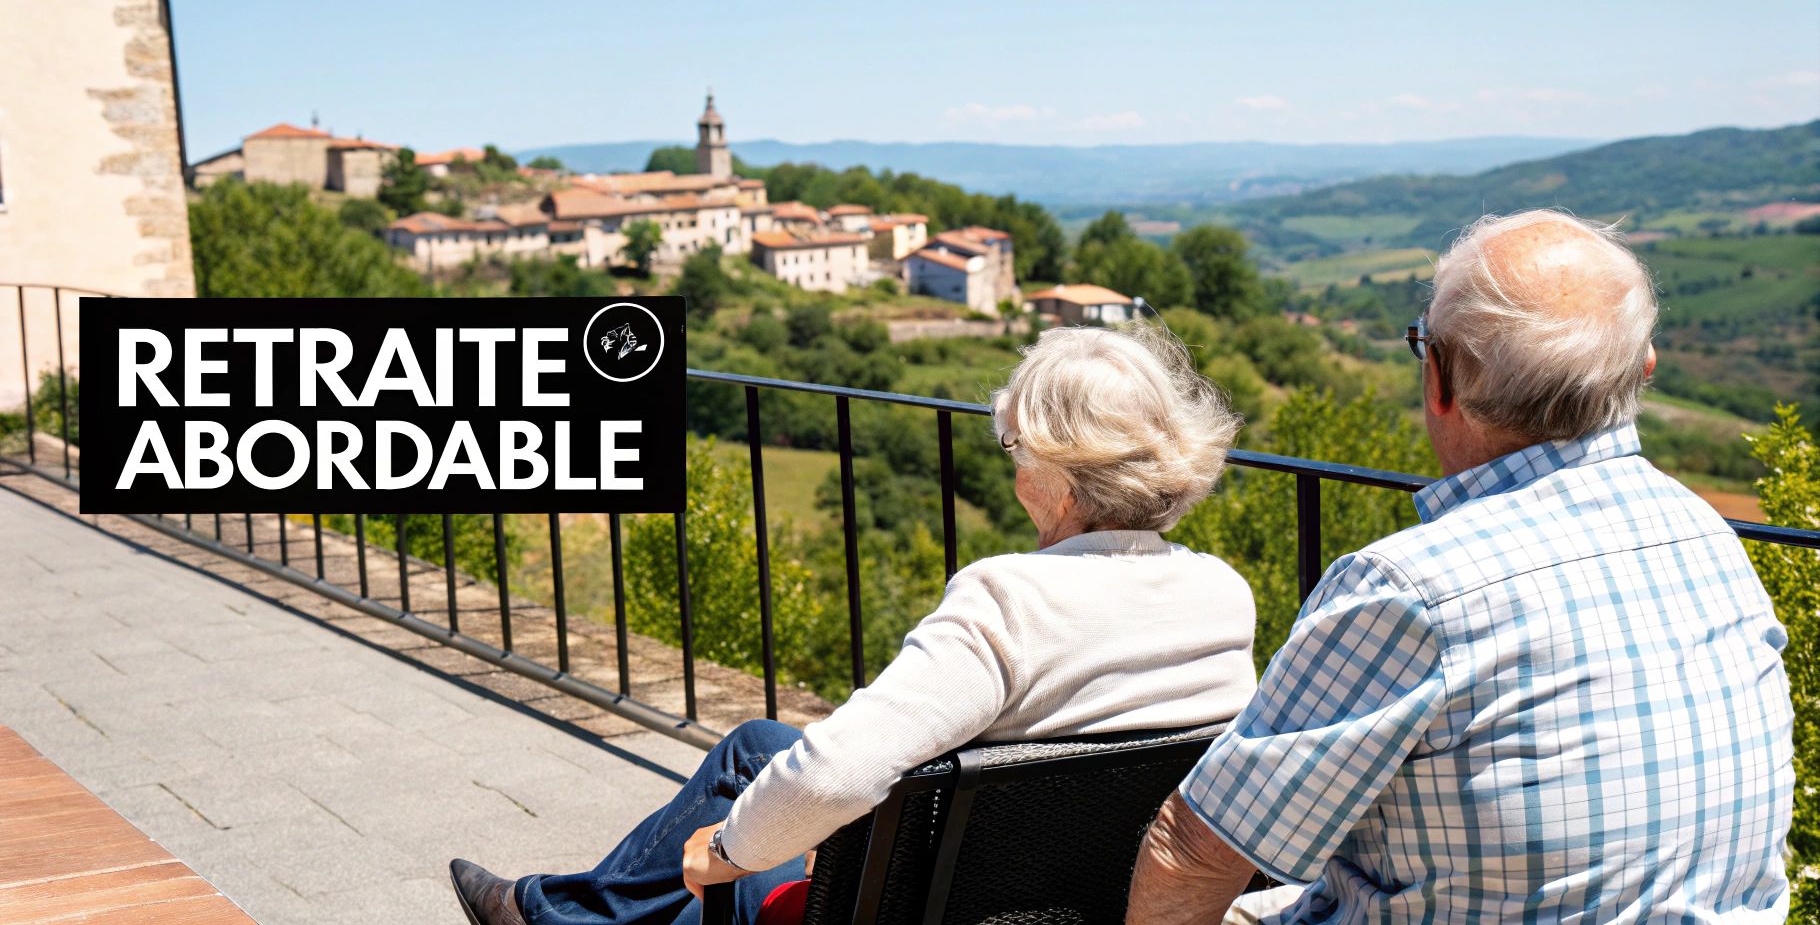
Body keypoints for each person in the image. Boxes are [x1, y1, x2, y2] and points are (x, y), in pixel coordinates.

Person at [453, 322, 1260, 925]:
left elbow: (834, 777)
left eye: (1014, 445)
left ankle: (560, 916)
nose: (1012, 467)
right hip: (1079, 895)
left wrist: (728, 850)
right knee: (755, 747)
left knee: (727, 859)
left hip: (930, 904)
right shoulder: (1223, 594)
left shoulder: (1009, 601)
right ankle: (554, 913)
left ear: (1056, 469)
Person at [1125, 209, 1796, 923]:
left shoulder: (1414, 590)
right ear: (1645, 369)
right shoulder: (1709, 538)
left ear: (1440, 378)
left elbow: (1197, 850)